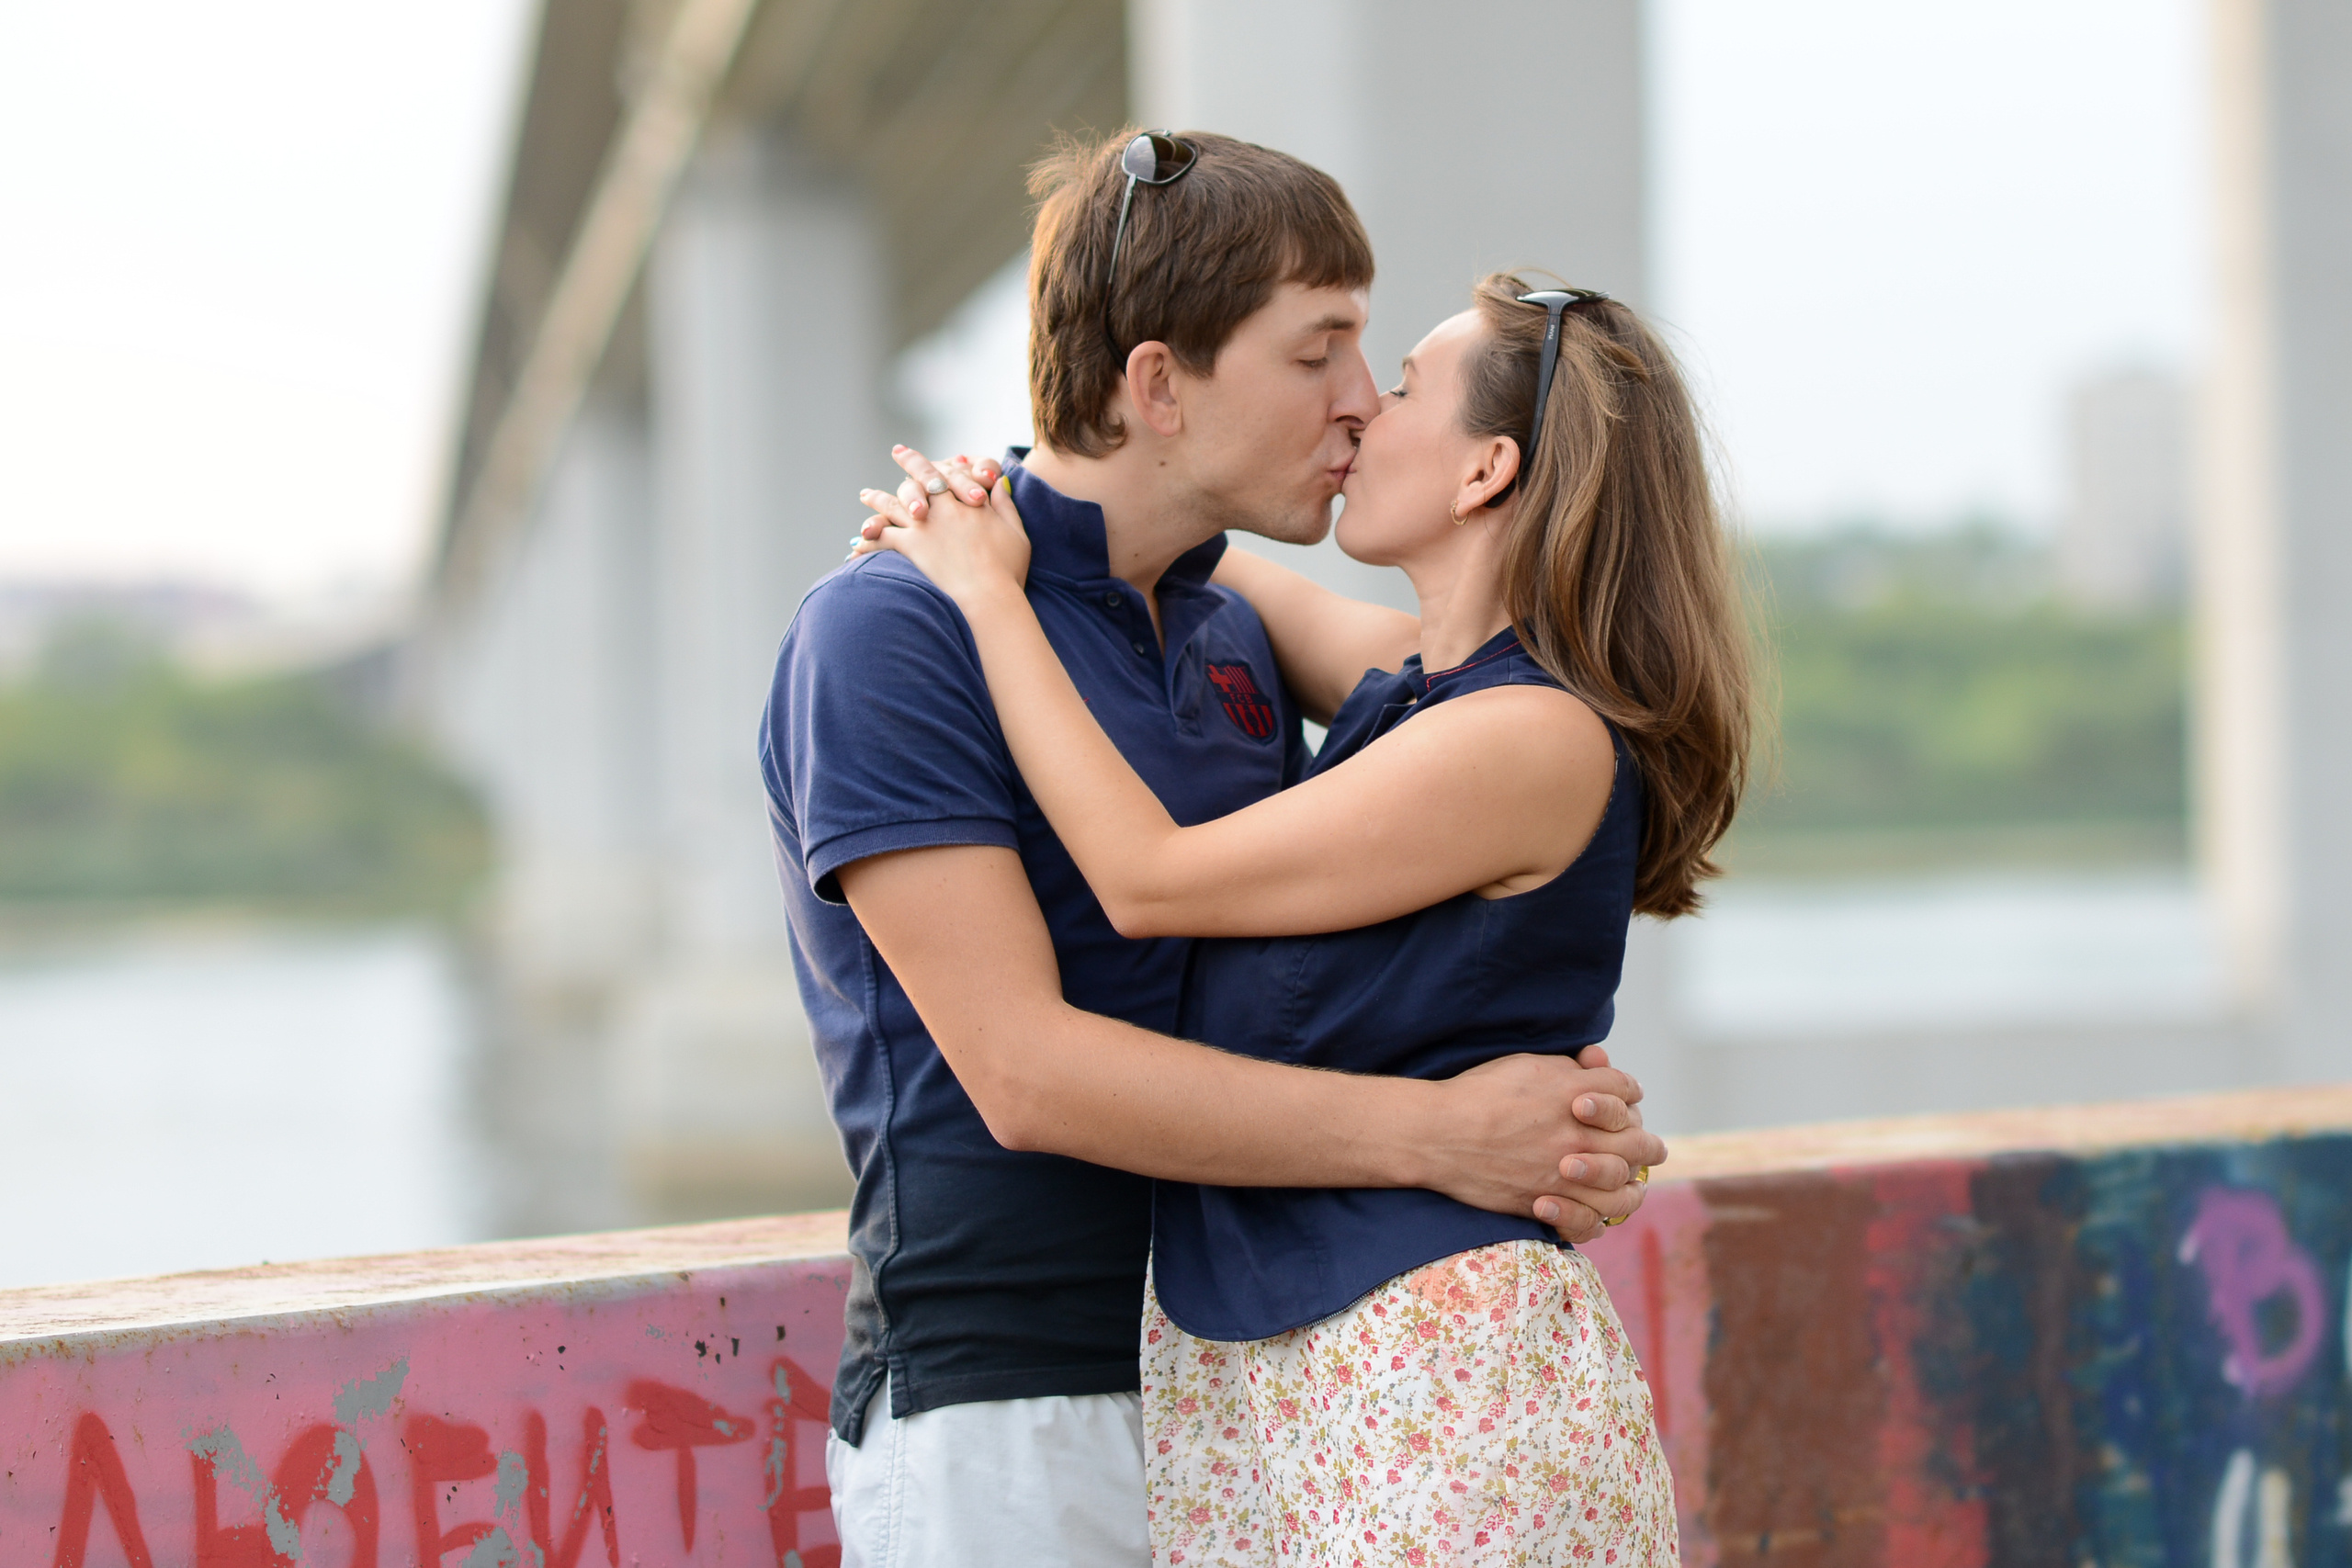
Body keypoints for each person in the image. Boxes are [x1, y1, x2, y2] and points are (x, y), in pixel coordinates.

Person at [759, 130, 1665, 1568]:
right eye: (1320, 352)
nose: (1359, 400)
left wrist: (1545, 1118)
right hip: (1017, 1402)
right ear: (1161, 385)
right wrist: (1444, 1136)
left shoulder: (1234, 630)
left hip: (1269, 1387)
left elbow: (1452, 789)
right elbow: (1023, 1073)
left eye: (1373, 356)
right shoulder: (896, 629)